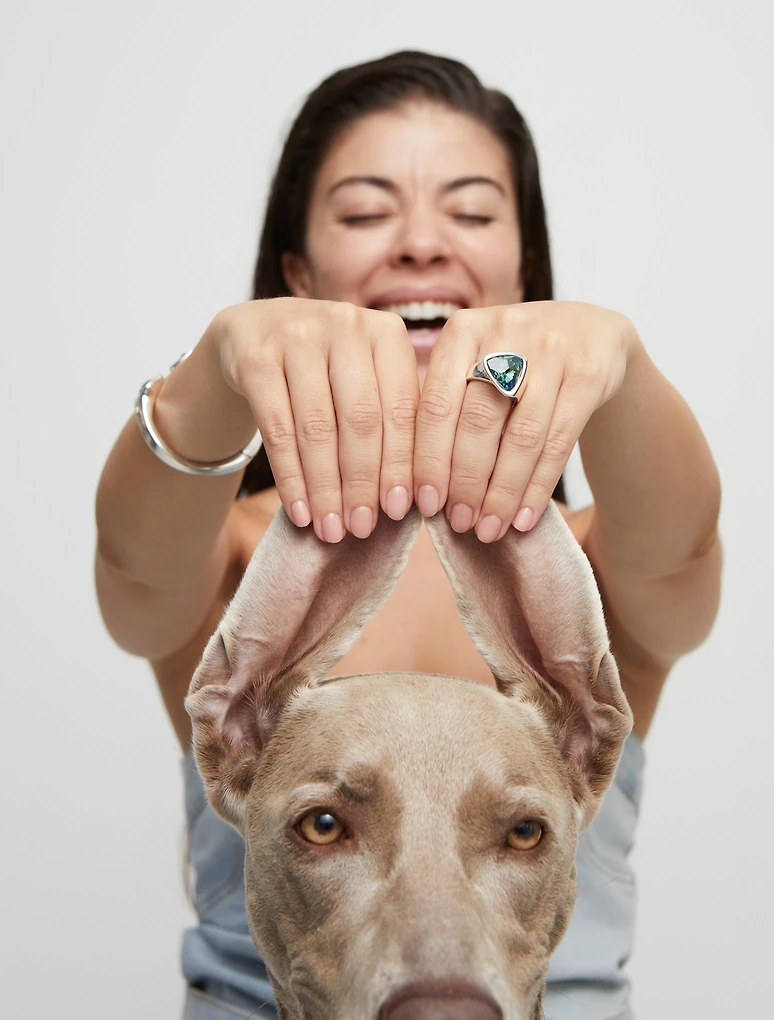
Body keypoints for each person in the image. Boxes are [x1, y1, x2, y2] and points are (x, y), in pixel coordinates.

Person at [94, 50, 722, 1020]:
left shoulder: (592, 570)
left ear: (525, 277)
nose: (421, 243)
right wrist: (215, 369)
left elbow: (680, 549)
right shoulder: (226, 559)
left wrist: (620, 363)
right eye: (364, 212)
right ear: (297, 276)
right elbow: (133, 562)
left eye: (469, 213)